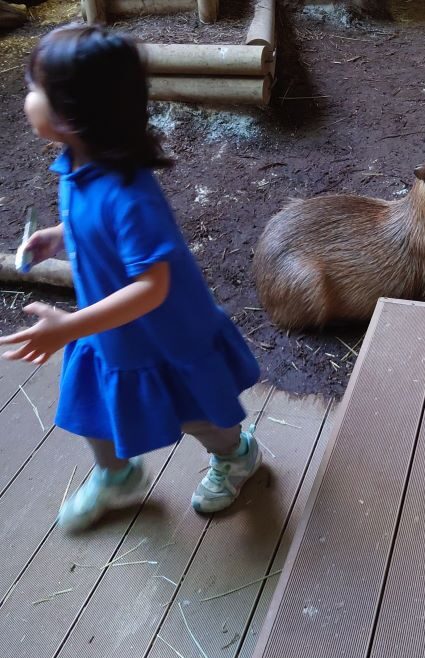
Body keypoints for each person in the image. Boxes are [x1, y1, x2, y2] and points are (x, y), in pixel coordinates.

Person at [0, 24, 261, 531]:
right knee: (91, 404)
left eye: (35, 89)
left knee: (197, 412)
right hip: (111, 329)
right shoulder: (80, 164)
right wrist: (59, 236)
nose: (26, 97)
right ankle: (115, 475)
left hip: (166, 334)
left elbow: (152, 286)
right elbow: (90, 225)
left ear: (72, 113)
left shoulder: (131, 195)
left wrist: (69, 328)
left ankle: (236, 455)